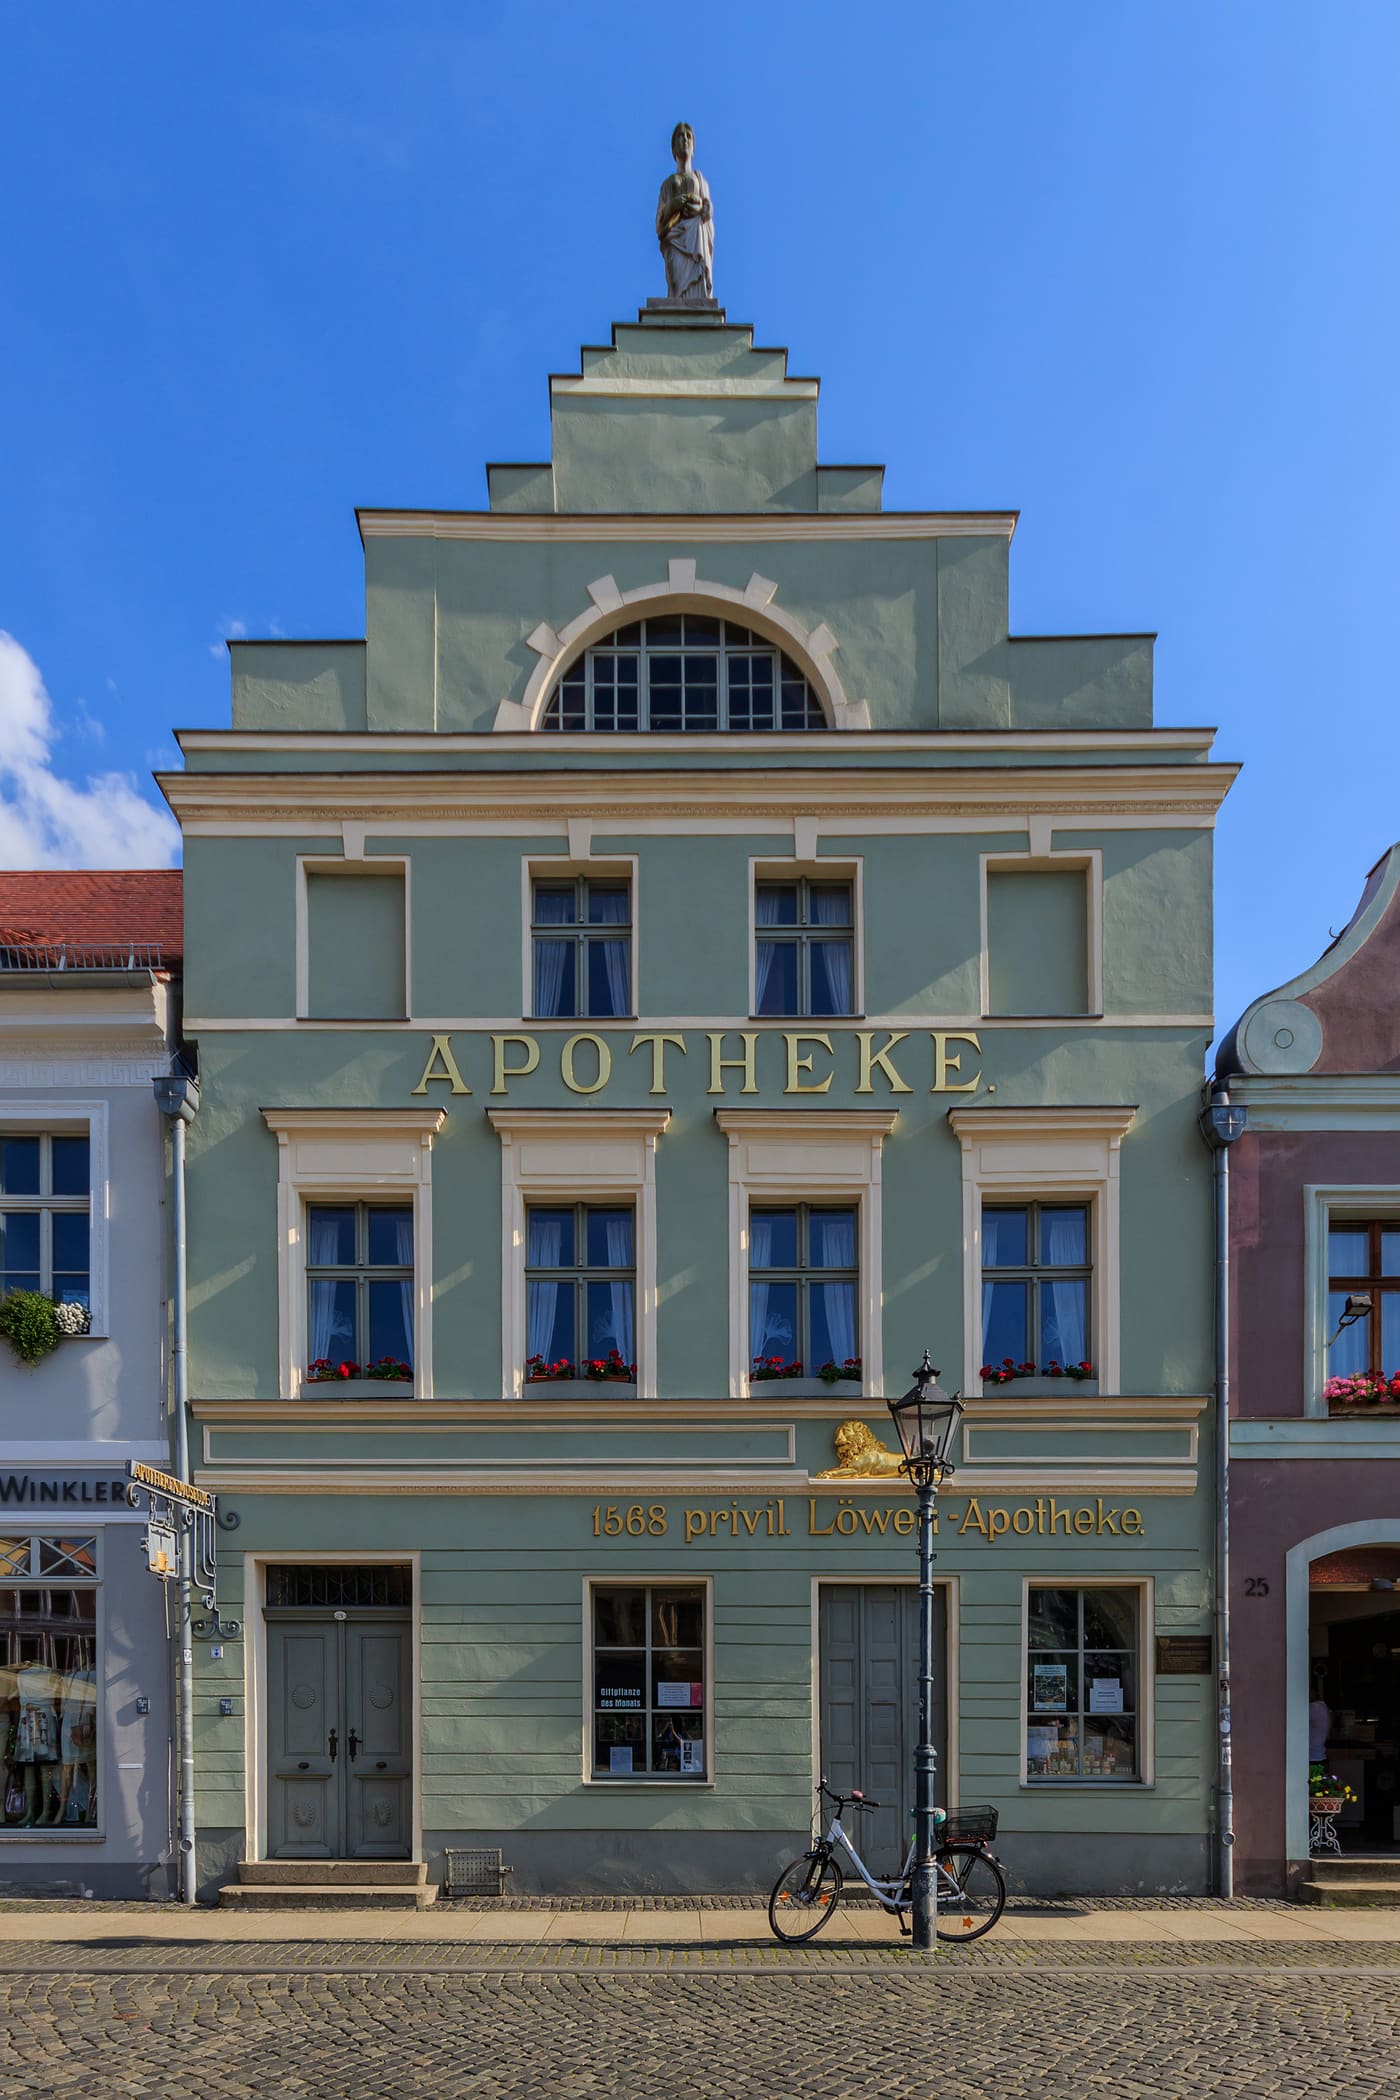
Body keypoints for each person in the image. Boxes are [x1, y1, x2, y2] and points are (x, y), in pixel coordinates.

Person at [656, 123, 714, 305]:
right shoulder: (668, 183)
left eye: (688, 136)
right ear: (674, 147)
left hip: (695, 235)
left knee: (698, 282)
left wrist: (700, 210)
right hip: (675, 237)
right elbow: (659, 223)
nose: (685, 140)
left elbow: (707, 210)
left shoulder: (699, 179)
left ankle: (698, 307)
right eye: (680, 136)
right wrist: (673, 205)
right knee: (676, 283)